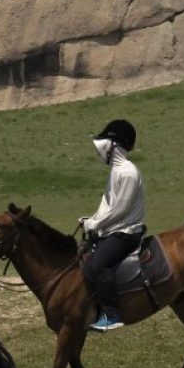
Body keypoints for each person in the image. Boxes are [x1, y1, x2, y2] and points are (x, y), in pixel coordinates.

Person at [79, 119, 146, 331]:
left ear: (113, 146)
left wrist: (94, 224)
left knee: (98, 266)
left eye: (104, 146)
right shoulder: (116, 172)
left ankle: (113, 315)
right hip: (114, 229)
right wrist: (91, 220)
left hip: (126, 233)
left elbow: (121, 209)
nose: (100, 152)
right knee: (86, 263)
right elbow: (107, 205)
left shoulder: (128, 172)